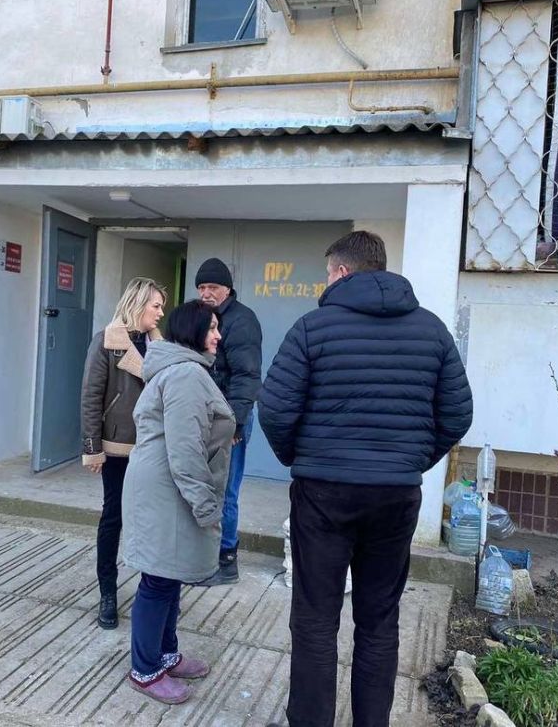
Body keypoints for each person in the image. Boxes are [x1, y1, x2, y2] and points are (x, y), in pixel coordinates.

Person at [258, 231, 473, 727]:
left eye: (326, 273)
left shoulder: (312, 328)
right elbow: (457, 415)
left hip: (322, 494)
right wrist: (410, 461)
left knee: (315, 620)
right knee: (379, 620)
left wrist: (300, 458)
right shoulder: (432, 330)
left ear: (341, 271)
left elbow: (274, 409)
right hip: (395, 496)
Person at [121, 300, 236, 704]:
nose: (218, 335)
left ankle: (165, 654)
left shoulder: (183, 370)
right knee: (158, 579)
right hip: (166, 488)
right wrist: (207, 507)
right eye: (212, 328)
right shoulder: (186, 374)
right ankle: (145, 670)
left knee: (167, 575)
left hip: (165, 485)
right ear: (193, 331)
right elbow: (186, 451)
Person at [80, 277, 167, 630]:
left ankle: (152, 593)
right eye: (156, 306)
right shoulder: (106, 341)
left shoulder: (160, 347)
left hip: (152, 447)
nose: (160, 313)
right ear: (139, 304)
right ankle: (108, 594)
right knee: (113, 517)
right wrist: (93, 448)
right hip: (118, 447)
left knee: (150, 520)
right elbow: (90, 396)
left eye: (161, 307)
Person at [194, 257, 262, 586]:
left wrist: (236, 423)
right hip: (202, 416)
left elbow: (246, 376)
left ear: (227, 289)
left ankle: (226, 559)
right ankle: (203, 554)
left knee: (226, 491)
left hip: (229, 420)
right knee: (203, 487)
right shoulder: (199, 316)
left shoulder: (242, 321)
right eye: (201, 287)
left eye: (213, 287)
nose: (206, 293)